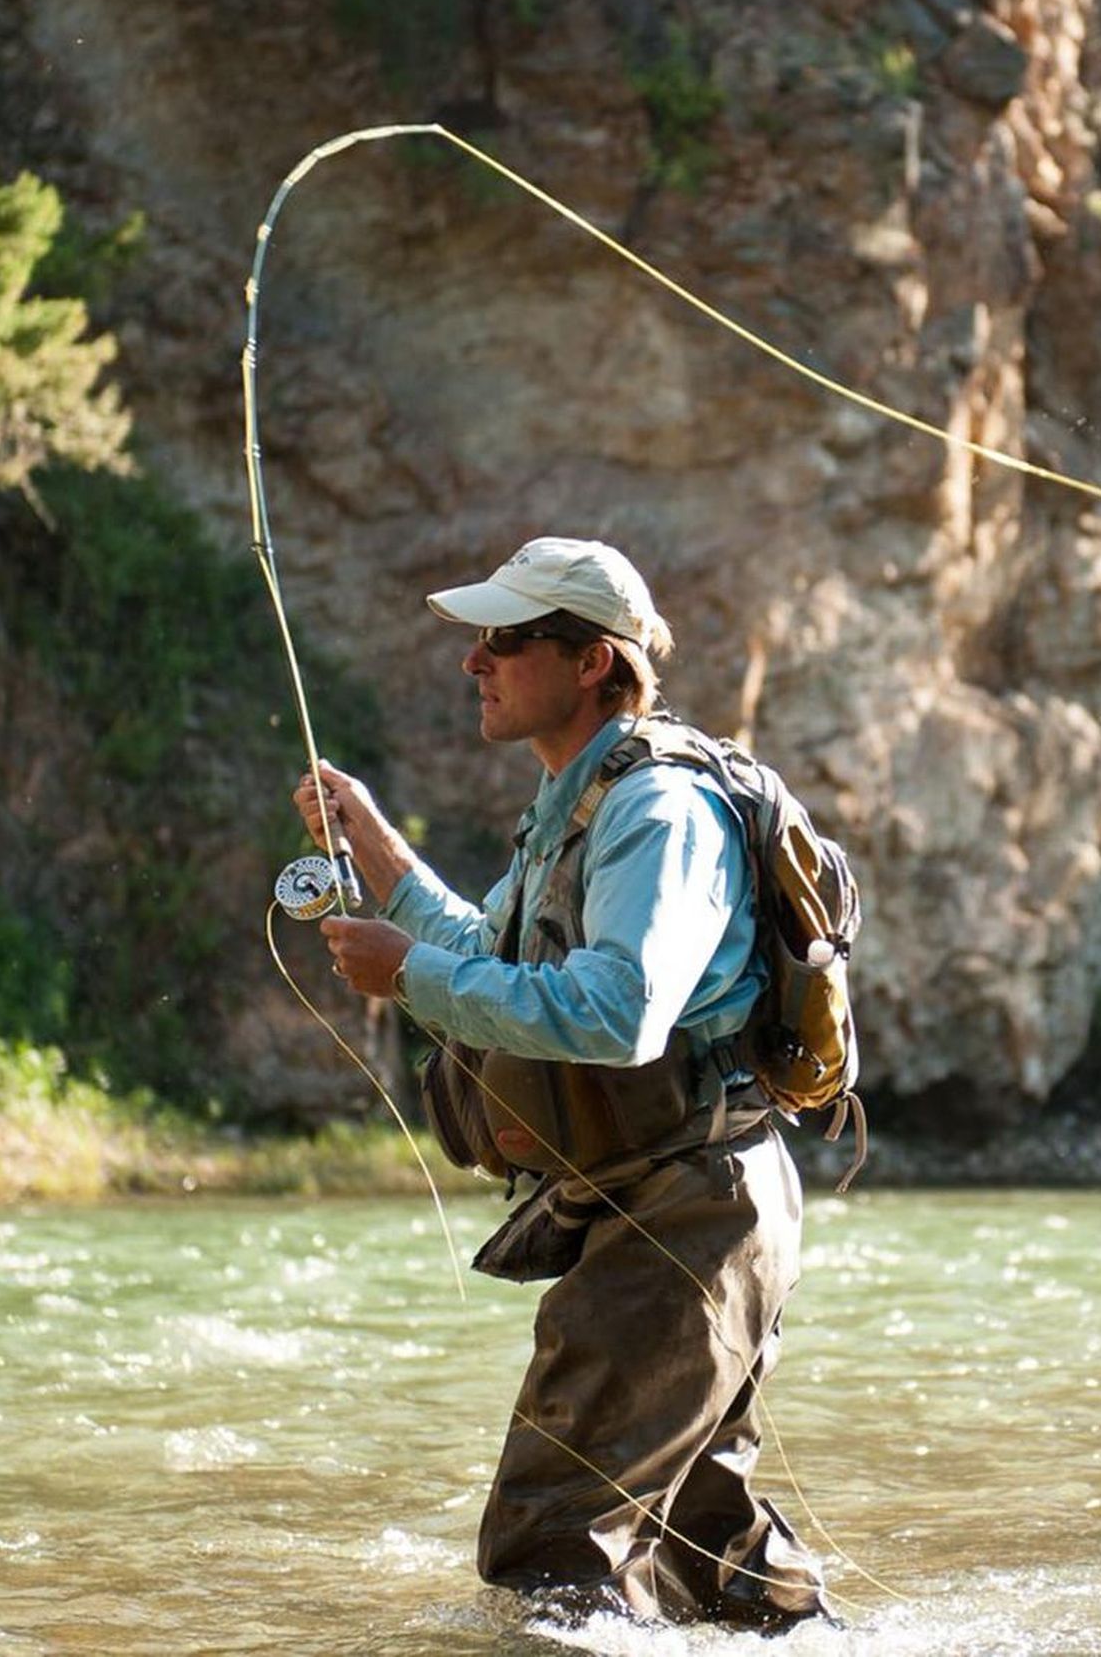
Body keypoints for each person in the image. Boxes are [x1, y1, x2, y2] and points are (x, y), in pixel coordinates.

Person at [292, 535, 832, 1631]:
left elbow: (617, 1011)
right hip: (673, 1207)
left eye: (503, 640)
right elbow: (492, 956)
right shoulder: (577, 807)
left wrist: (410, 979)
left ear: (592, 662)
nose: (472, 662)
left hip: (689, 1214)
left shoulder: (657, 813)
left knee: (552, 1551)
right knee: (709, 1557)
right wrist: (379, 853)